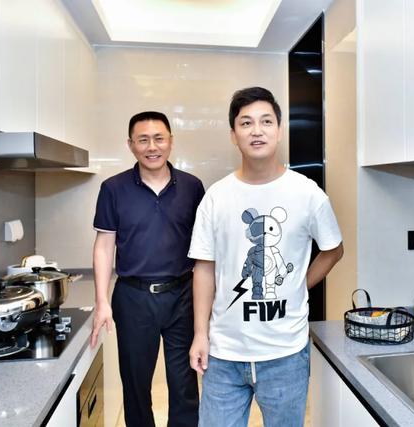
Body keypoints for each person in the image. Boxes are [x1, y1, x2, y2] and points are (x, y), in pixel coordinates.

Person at [188, 87, 344, 427]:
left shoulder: (307, 194)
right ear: (234, 134)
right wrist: (200, 334)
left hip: (286, 353)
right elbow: (204, 268)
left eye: (266, 121)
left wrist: (298, 284)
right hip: (224, 354)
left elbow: (333, 250)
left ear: (280, 129)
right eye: (246, 123)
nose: (256, 130)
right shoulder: (216, 197)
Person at [91, 111, 204, 427]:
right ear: (131, 145)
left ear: (170, 141)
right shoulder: (113, 188)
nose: (152, 147)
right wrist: (101, 301)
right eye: (143, 140)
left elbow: (205, 250)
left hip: (183, 295)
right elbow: (104, 246)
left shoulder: (192, 187)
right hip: (133, 297)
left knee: (185, 383)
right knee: (136, 384)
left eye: (158, 138)